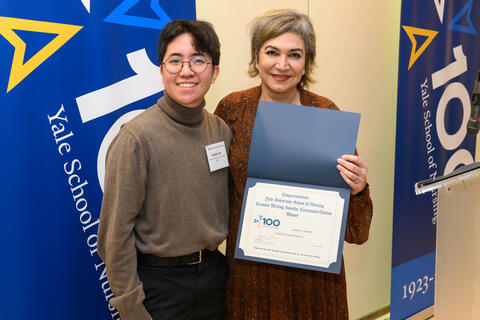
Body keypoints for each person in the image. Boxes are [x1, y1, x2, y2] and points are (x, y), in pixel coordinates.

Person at [214, 9, 373, 320]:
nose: (282, 65)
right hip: (252, 278)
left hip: (313, 283)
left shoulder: (326, 113)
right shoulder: (232, 110)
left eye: (294, 55)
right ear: (256, 57)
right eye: (272, 52)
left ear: (306, 62)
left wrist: (358, 189)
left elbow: (357, 231)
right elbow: (211, 191)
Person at [98, 20, 232, 320]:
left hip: (214, 280)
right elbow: (114, 236)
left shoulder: (221, 131)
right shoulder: (134, 139)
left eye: (199, 60)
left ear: (215, 72)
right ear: (161, 71)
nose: (187, 70)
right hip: (160, 289)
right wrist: (132, 308)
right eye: (175, 60)